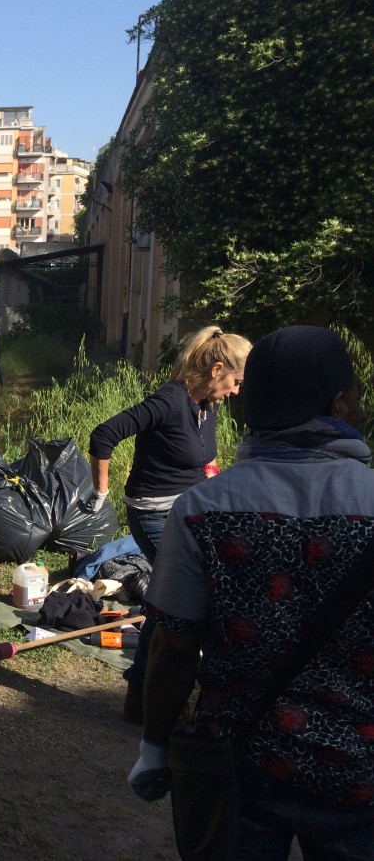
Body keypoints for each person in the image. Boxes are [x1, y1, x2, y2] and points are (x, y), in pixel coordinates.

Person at [128, 325, 374, 858]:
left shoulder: (203, 508)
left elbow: (172, 648)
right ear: (341, 405)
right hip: (359, 772)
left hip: (239, 766)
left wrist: (154, 746)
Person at [89, 325, 252, 724]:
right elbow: (104, 434)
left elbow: (200, 457)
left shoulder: (206, 405)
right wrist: (100, 493)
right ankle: (149, 694)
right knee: (177, 598)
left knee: (171, 600)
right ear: (217, 369)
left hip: (189, 510)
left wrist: (213, 484)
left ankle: (147, 695)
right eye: (236, 381)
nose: (236, 391)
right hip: (153, 514)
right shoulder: (170, 399)